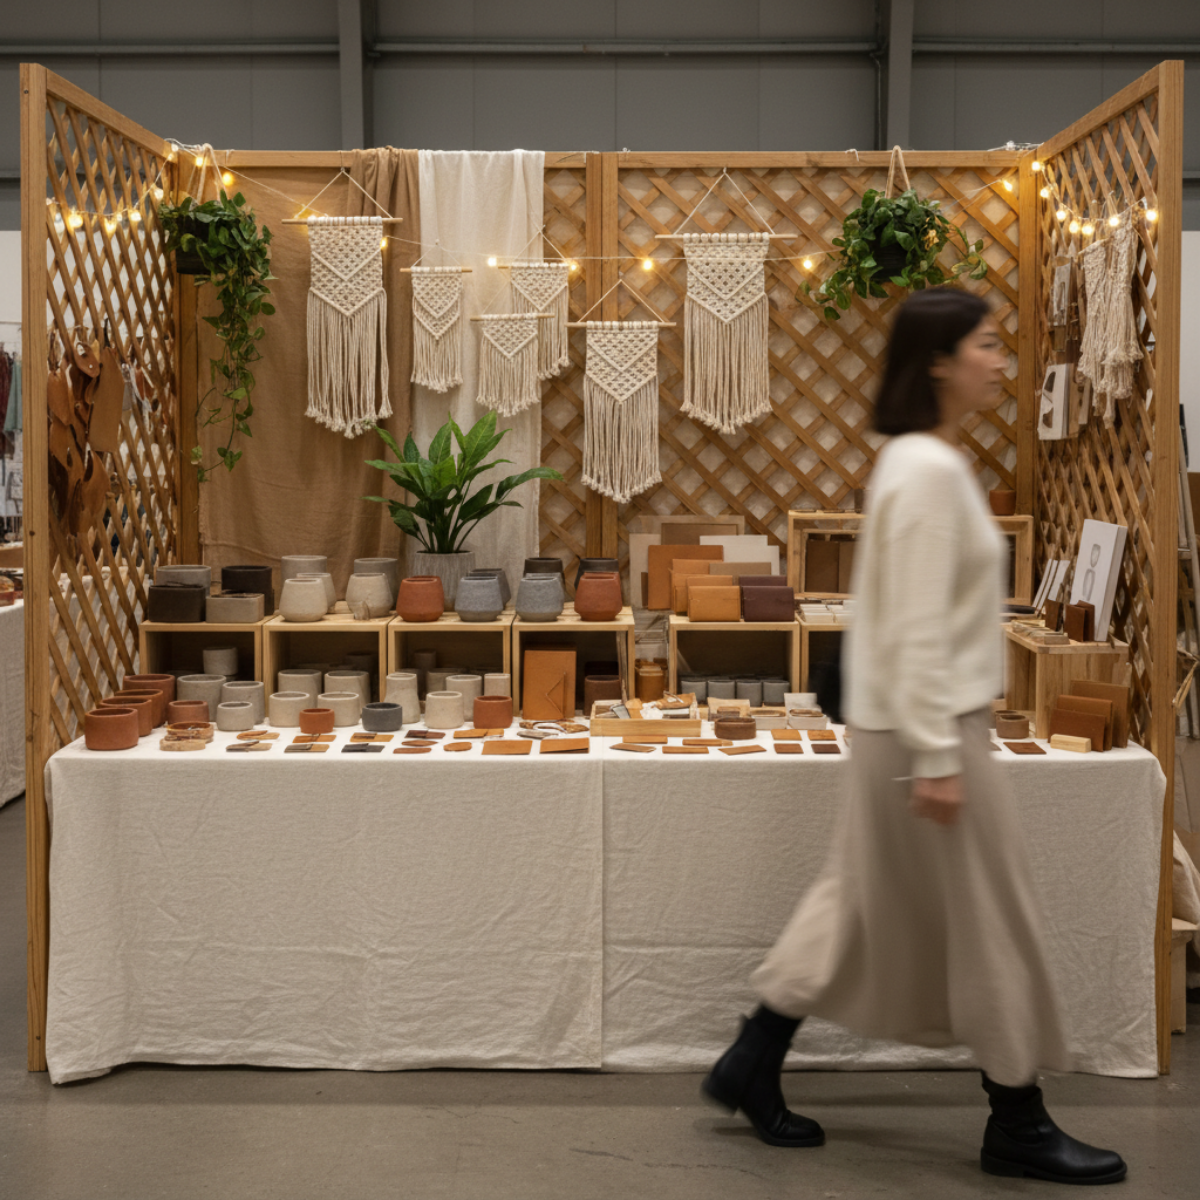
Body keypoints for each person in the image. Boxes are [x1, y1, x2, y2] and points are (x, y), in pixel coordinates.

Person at [702, 288, 1127, 1186]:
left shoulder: (909, 458)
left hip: (896, 724)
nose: (1000, 360)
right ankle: (1017, 1120)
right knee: (992, 917)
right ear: (938, 360)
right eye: (986, 344)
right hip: (928, 731)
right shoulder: (929, 470)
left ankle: (753, 1058)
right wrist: (938, 757)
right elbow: (923, 624)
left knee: (854, 898)